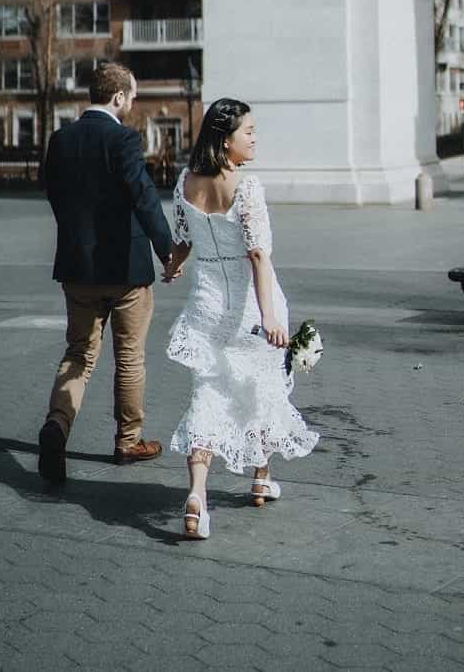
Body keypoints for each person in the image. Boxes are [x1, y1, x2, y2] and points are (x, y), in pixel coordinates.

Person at [162, 97, 319, 540]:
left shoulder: (185, 183)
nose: (254, 138)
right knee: (261, 387)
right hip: (249, 305)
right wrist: (271, 316)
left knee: (208, 393)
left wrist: (172, 267)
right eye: (248, 132)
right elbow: (257, 254)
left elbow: (183, 241)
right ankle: (259, 477)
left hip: (206, 304)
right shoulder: (246, 188)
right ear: (225, 139)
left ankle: (197, 495)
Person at [37, 60, 176, 484]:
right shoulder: (124, 140)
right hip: (126, 269)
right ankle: (128, 441)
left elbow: (52, 192)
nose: (132, 103)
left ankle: (57, 425)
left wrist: (77, 236)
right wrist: (167, 250)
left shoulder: (61, 140)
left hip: (78, 269)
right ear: (117, 96)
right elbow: (144, 197)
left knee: (79, 354)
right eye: (131, 96)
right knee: (129, 357)